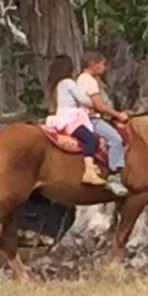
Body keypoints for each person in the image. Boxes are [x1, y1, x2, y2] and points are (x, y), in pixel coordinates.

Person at [45, 55, 107, 186]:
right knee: (90, 138)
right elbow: (84, 99)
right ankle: (89, 171)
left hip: (62, 116)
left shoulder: (56, 85)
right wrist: (95, 102)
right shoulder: (68, 83)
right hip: (71, 117)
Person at [77, 51, 130, 197]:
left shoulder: (81, 79)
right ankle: (113, 176)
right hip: (91, 119)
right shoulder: (89, 81)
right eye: (102, 64)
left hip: (84, 118)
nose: (104, 67)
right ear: (92, 64)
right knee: (115, 139)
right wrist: (119, 115)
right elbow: (99, 106)